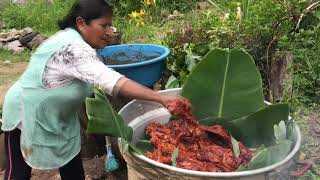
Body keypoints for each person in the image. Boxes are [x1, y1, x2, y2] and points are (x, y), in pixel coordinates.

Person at [0, 0, 190, 179]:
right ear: (82, 23)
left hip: (59, 115)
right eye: (104, 25)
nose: (110, 32)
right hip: (26, 111)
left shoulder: (78, 41)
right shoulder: (73, 47)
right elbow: (112, 81)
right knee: (18, 172)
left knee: (72, 166)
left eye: (111, 26)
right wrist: (161, 99)